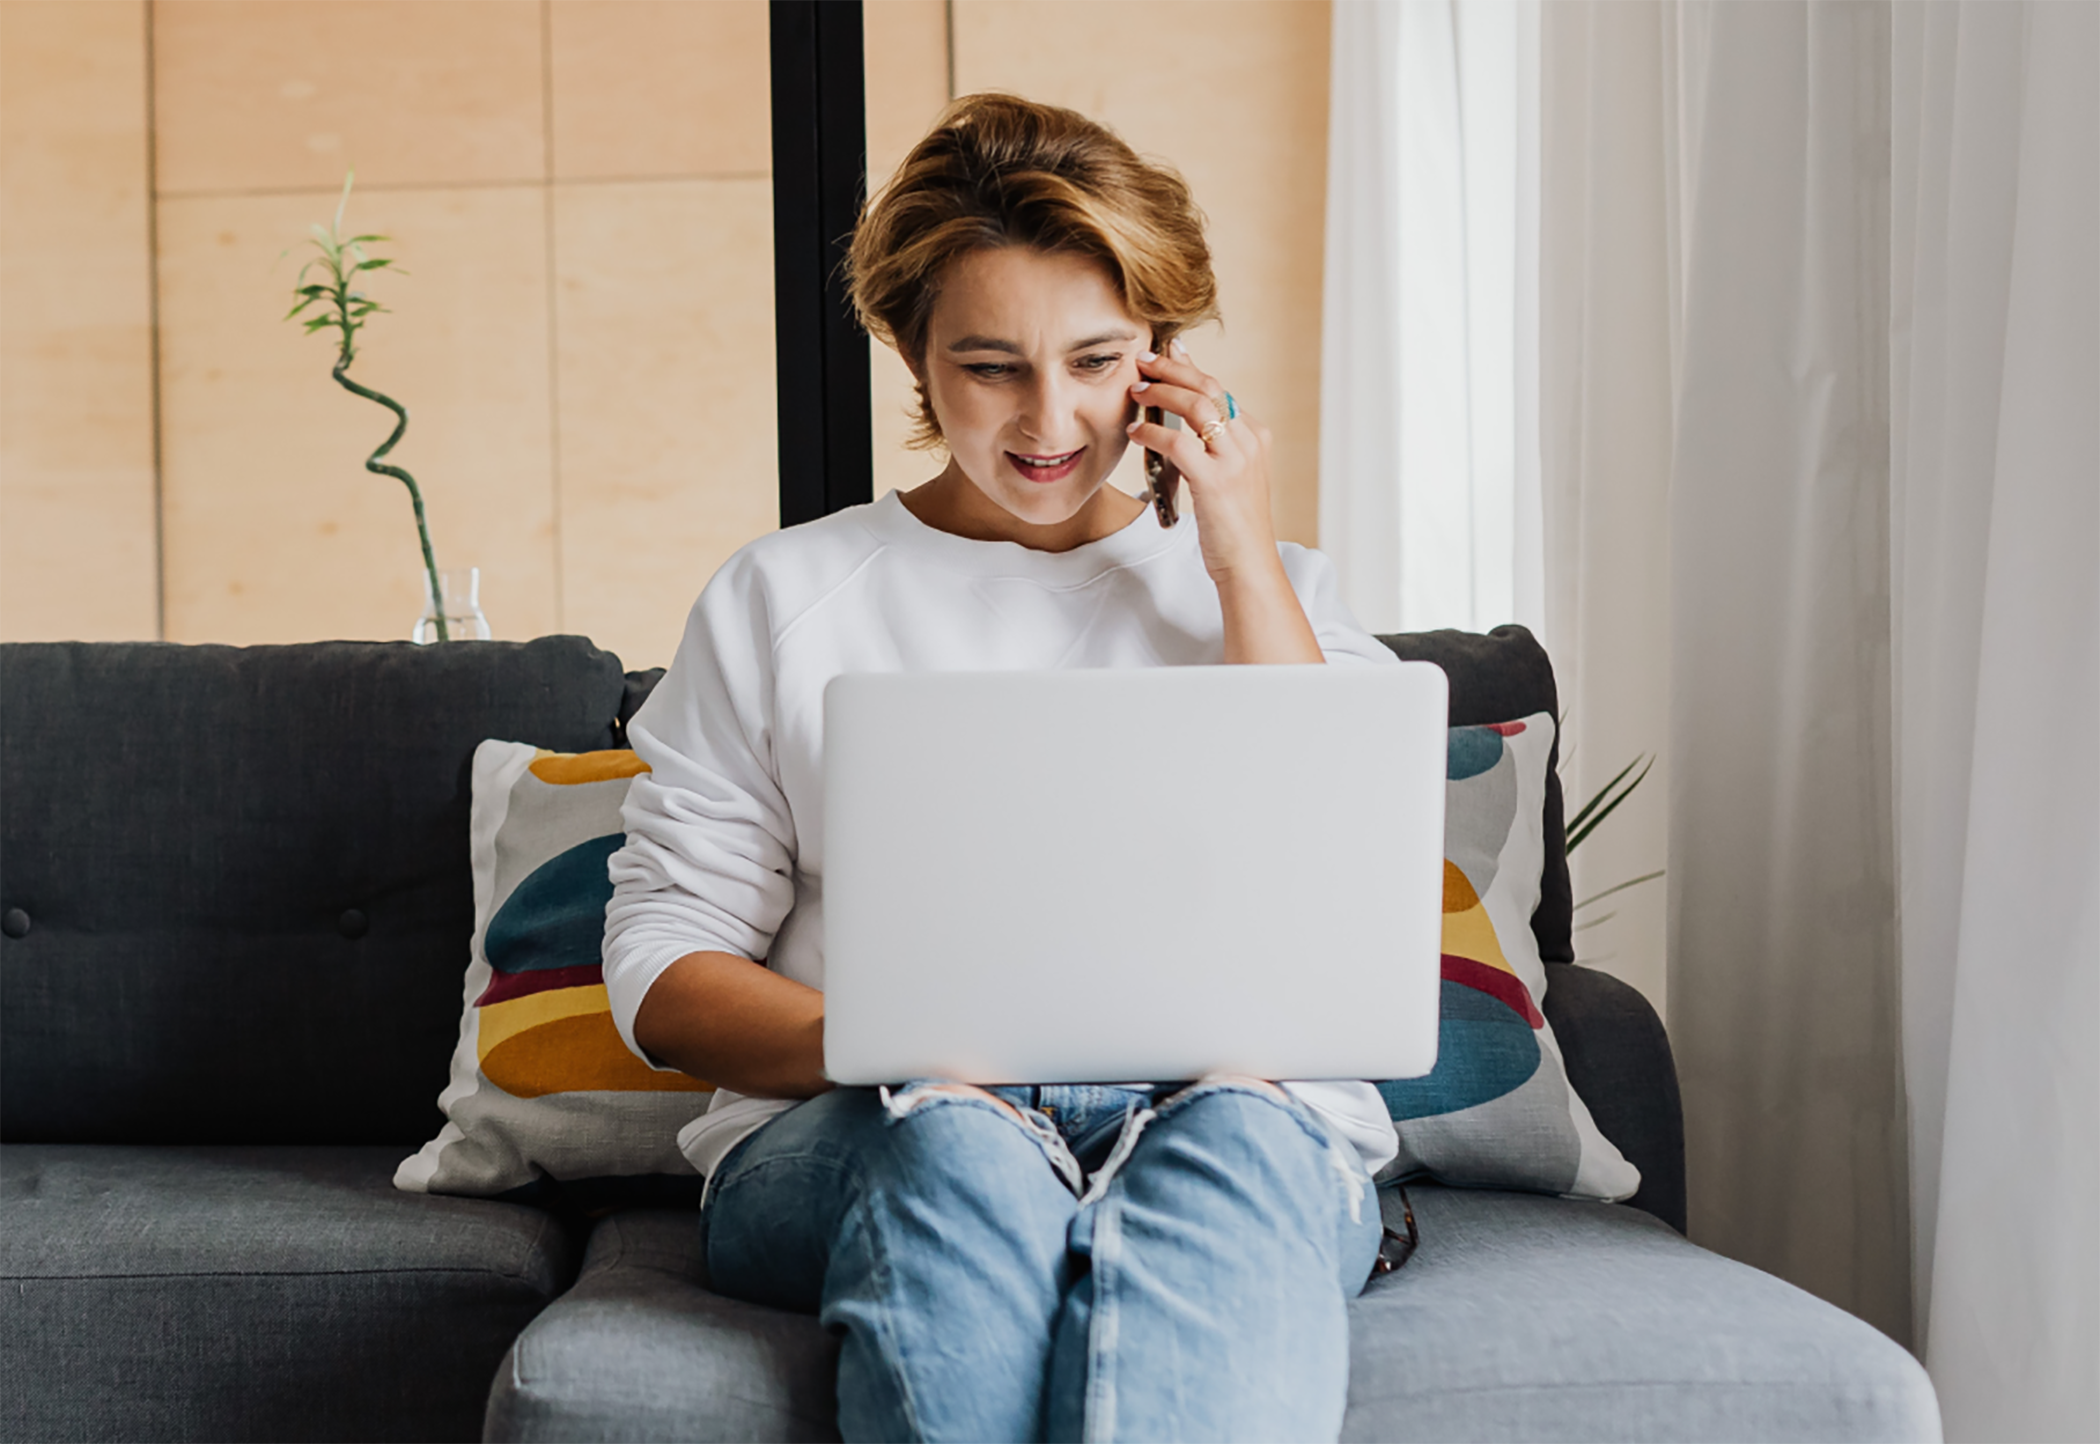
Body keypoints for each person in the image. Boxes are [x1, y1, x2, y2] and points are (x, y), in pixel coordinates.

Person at [603, 92, 1399, 1444]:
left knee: (1241, 1137)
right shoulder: (784, 596)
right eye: (992, 367)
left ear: (1163, 357)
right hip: (885, 1119)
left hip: (1231, 1115)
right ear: (913, 358)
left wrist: (1238, 551)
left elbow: (1329, 895)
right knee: (956, 1146)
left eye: (1097, 362)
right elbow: (665, 973)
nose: (1054, 421)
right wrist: (889, 1051)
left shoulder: (1272, 594)